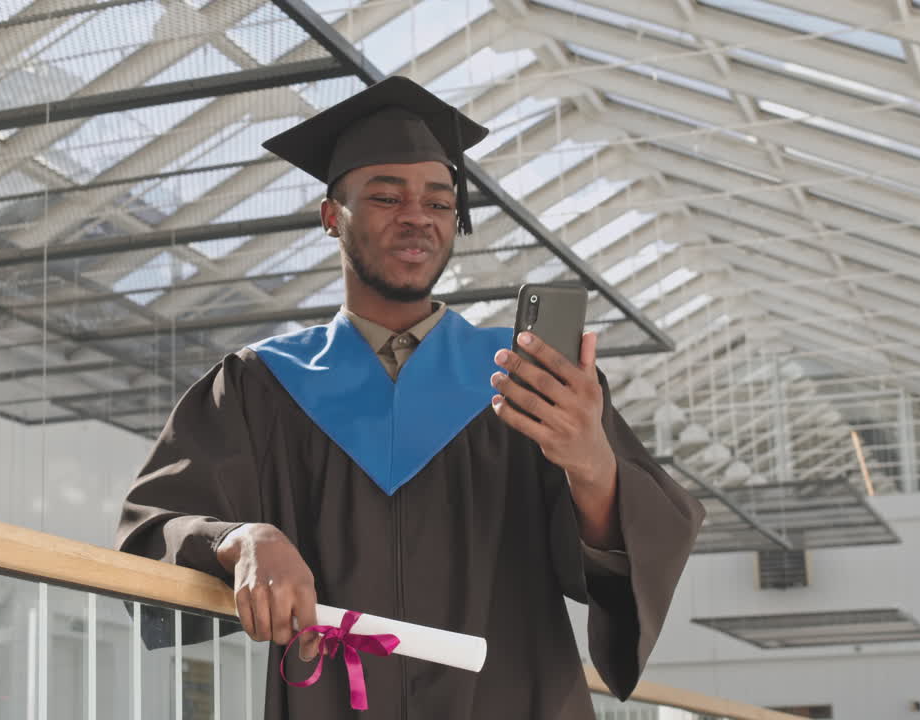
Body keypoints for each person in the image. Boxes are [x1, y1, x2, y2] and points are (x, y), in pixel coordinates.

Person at [116, 76, 705, 719]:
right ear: (330, 217)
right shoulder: (261, 387)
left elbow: (615, 569)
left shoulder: (527, 377)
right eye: (386, 196)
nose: (416, 217)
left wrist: (592, 465)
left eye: (438, 201)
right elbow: (150, 534)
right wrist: (240, 539)